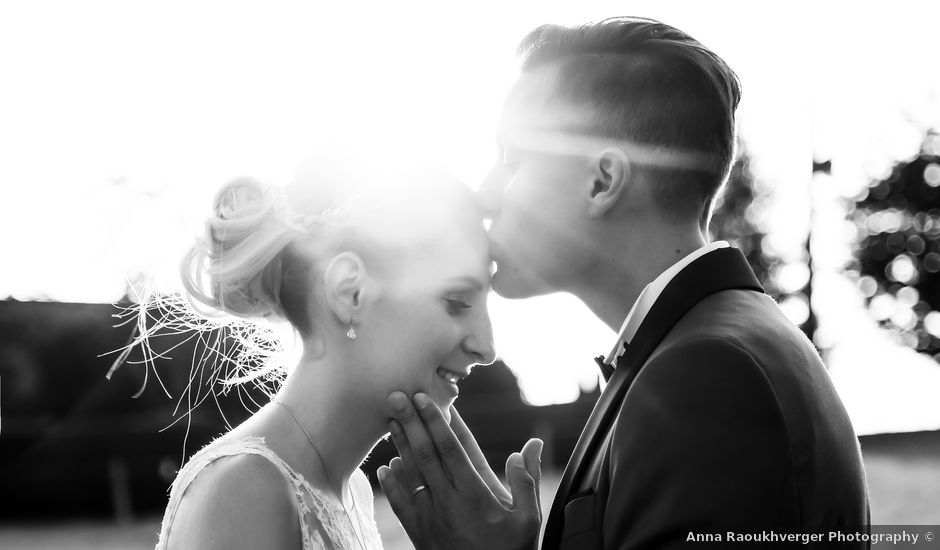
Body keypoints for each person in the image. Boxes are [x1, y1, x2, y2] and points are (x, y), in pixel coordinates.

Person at [378, 17, 870, 549]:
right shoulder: (708, 347)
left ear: (602, 181)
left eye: (513, 160)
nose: (485, 194)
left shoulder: (707, 374)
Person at [151, 152, 500, 549]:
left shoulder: (353, 492)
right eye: (457, 301)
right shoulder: (245, 491)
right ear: (350, 293)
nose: (486, 348)